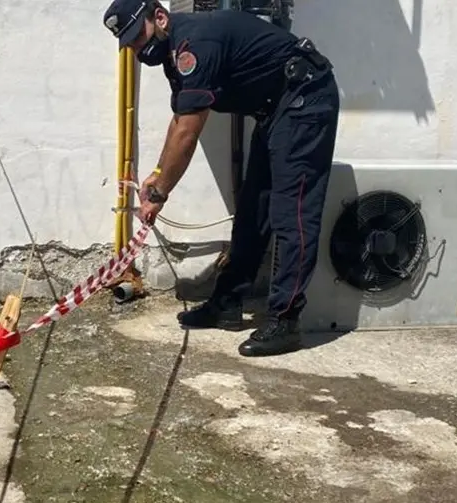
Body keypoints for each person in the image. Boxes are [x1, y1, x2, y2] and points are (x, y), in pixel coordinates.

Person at [102, 0, 340, 357]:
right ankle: (228, 303)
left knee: (293, 213)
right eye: (131, 44)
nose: (138, 48)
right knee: (252, 210)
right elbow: (179, 118)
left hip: (305, 98)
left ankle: (285, 319)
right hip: (278, 109)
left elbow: (189, 131)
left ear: (160, 17)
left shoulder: (194, 45)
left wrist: (161, 192)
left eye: (139, 36)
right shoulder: (174, 51)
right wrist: (155, 176)